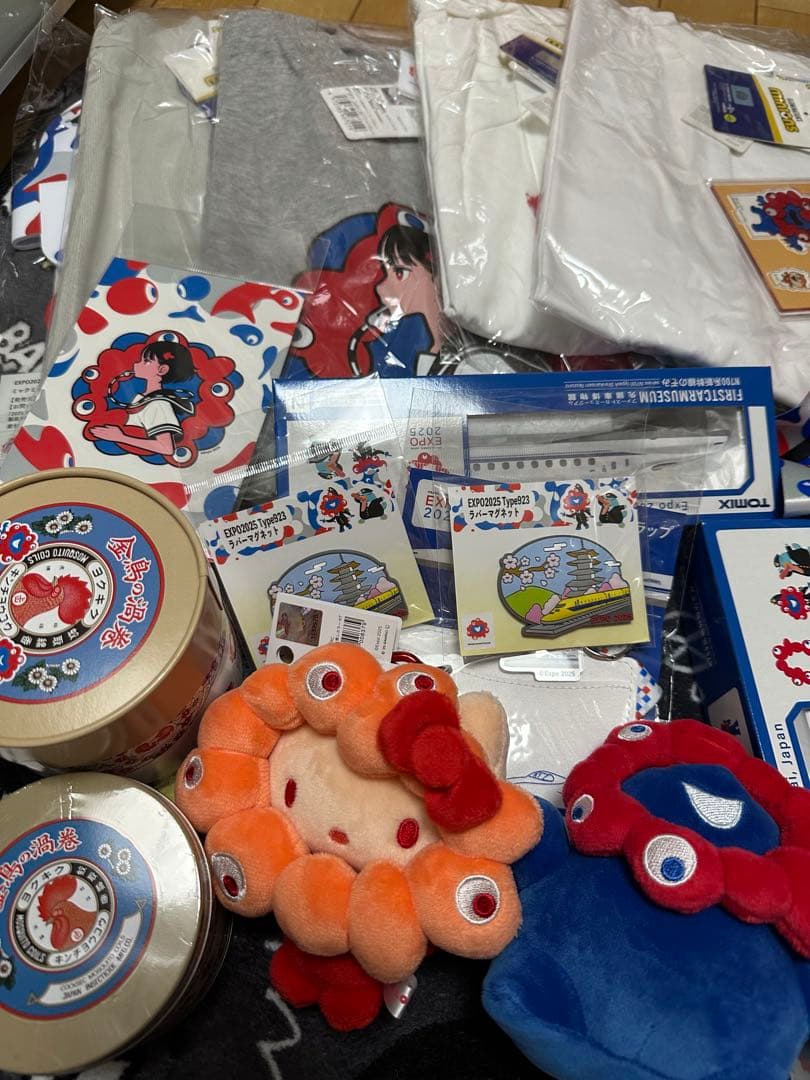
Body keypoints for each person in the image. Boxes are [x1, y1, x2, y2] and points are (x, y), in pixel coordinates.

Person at [89, 335, 195, 457]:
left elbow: (166, 448)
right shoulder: (143, 398)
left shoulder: (158, 404)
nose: (136, 364)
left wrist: (120, 437)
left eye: (146, 361)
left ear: (161, 370)